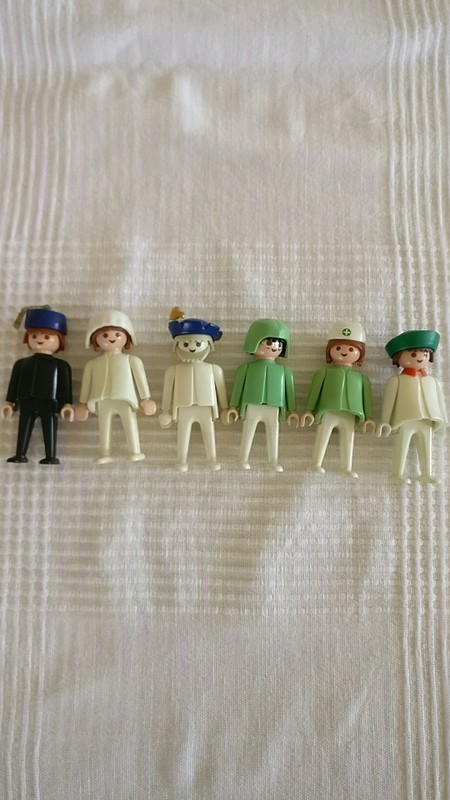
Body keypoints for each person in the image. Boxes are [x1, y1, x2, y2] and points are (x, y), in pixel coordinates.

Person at [75, 310, 156, 463]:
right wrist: (83, 403)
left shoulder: (132, 360)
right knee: (104, 427)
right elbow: (86, 384)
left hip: (125, 399)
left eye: (118, 334)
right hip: (101, 399)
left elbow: (140, 379)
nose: (111, 338)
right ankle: (105, 453)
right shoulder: (92, 364)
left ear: (127, 337)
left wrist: (146, 398)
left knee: (130, 424)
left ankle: (135, 451)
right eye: (104, 335)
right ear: (95, 339)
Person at [298, 322, 375, 477]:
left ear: (360, 354)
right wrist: (309, 410)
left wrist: (369, 418)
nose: (344, 352)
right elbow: (314, 392)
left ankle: (346, 468)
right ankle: (316, 463)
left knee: (348, 439)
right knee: (322, 436)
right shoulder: (323, 373)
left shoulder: (362, 379)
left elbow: (366, 399)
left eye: (351, 349)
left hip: (351, 413)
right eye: (338, 348)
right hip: (327, 410)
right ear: (329, 351)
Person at [1, 307, 73, 464]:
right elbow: (14, 383)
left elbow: (65, 387)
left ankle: (50, 456)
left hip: (50, 403)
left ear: (60, 340)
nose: (40, 340)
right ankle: (20, 454)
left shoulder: (61, 365)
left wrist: (67, 404)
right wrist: (9, 402)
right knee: (23, 427)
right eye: (34, 335)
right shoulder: (21, 363)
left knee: (50, 427)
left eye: (47, 336)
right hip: (26, 401)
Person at [159, 307, 228, 471]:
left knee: (209, 433)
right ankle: (181, 460)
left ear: (208, 344)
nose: (192, 347)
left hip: (206, 406)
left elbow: (221, 390)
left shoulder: (214, 369)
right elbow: (167, 392)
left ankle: (212, 459)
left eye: (198, 343)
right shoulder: (173, 370)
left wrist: (225, 408)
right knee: (182, 434)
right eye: (186, 343)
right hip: (183, 407)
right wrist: (165, 410)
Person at [226, 318, 297, 472]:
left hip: (274, 406)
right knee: (248, 432)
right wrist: (233, 406)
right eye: (269, 343)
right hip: (252, 404)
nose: (274, 347)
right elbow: (238, 388)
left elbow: (289, 391)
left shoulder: (285, 371)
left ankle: (273, 460)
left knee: (273, 434)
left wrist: (292, 410)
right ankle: (243, 458)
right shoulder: (245, 369)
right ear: (254, 342)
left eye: (279, 343)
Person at [377, 329, 447, 484]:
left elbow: (440, 402)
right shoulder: (396, 381)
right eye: (413, 354)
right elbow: (389, 402)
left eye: (425, 353)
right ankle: (397, 473)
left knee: (426, 447)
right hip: (404, 419)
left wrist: (445, 422)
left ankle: (426, 473)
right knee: (402, 446)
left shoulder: (432, 381)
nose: (420, 357)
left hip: (428, 419)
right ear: (398, 358)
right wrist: (385, 422)